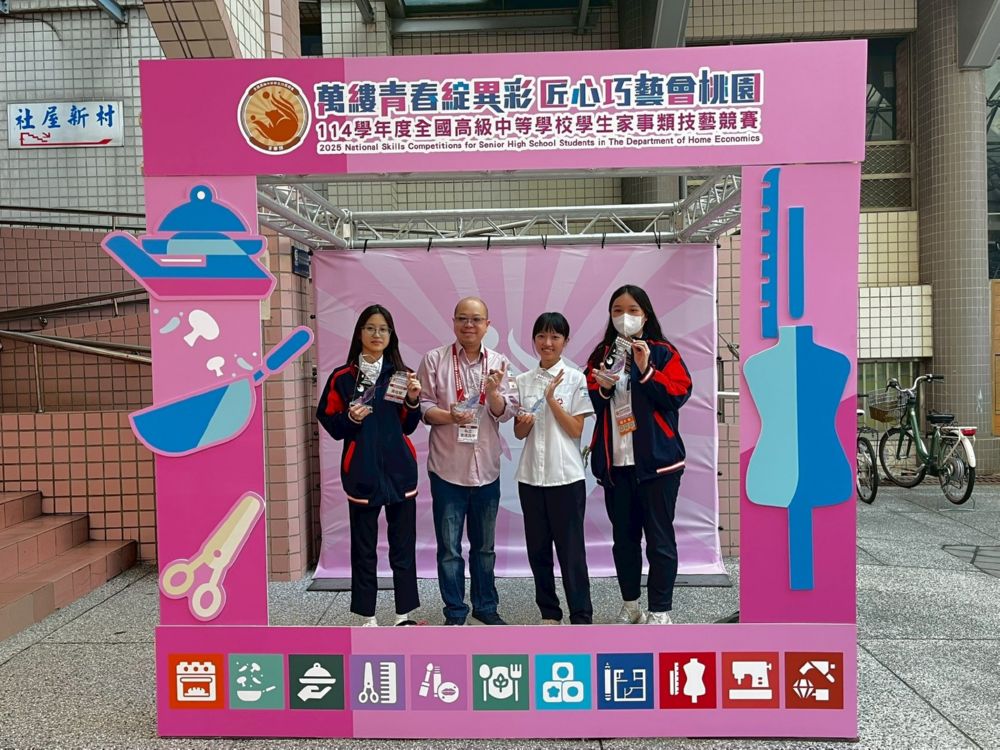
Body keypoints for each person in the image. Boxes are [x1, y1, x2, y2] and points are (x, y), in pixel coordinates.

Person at [585, 285, 692, 625]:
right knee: (624, 541)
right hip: (617, 466)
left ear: (645, 315)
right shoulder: (602, 354)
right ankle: (631, 605)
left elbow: (678, 393)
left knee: (660, 540)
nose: (625, 317)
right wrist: (602, 388)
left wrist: (646, 371)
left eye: (632, 310)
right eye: (617, 310)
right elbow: (588, 398)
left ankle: (660, 610)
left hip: (659, 466)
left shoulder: (662, 351)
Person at [316, 304, 423, 627]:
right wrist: (350, 419)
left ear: (391, 336)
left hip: (400, 473)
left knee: (403, 548)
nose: (377, 334)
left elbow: (408, 426)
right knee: (364, 550)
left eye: (383, 329)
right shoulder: (342, 378)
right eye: (371, 328)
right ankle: (367, 616)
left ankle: (404, 614)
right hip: (361, 474)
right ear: (360, 333)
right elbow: (331, 423)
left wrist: (413, 400)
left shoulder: (402, 376)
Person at [417, 297, 515, 625]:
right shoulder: (434, 360)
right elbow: (423, 407)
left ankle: (486, 607)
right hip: (447, 469)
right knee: (449, 550)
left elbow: (505, 412)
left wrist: (495, 393)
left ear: (487, 324)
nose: (469, 325)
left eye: (476, 319)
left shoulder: (499, 363)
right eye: (462, 318)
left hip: (486, 469)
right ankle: (455, 612)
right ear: (454, 322)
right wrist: (449, 416)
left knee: (485, 548)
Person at [513, 312, 594, 625]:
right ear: (534, 340)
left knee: (571, 551)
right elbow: (520, 433)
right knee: (538, 551)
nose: (547, 343)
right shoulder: (522, 381)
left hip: (566, 478)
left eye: (555, 337)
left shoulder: (575, 379)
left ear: (565, 341)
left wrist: (551, 400)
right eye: (541, 336)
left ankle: (581, 614)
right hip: (531, 477)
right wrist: (524, 422)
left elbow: (575, 429)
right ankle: (549, 612)